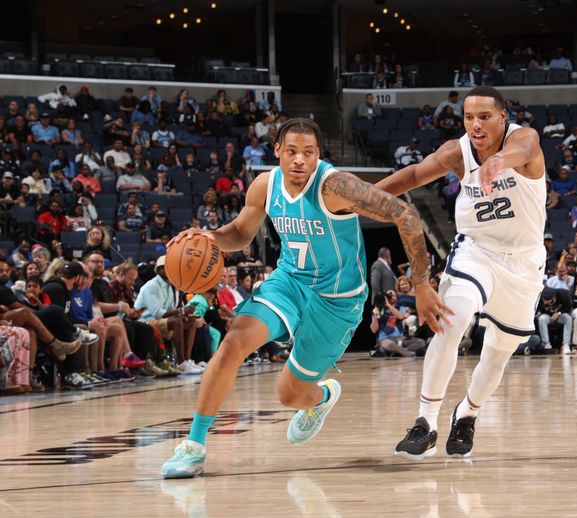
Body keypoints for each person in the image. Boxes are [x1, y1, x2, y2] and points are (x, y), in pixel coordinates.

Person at [161, 118, 448, 478]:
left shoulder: (336, 186)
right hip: (289, 282)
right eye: (292, 151)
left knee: (290, 396)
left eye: (308, 153)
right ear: (277, 150)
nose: (299, 160)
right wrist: (206, 237)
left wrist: (421, 284)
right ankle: (194, 445)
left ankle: (322, 397)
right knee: (234, 342)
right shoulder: (266, 185)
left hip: (336, 300)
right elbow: (239, 234)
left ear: (318, 155)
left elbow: (404, 213)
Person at [375, 86, 547, 460]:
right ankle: (425, 422)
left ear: (503, 116)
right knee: (450, 322)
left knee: (498, 354)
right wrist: (362, 196)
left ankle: (466, 414)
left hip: (523, 262)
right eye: (469, 117)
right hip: (476, 252)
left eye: (484, 116)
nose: (475, 124)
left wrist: (499, 162)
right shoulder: (458, 151)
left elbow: (523, 150)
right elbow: (412, 176)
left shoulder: (524, 139)